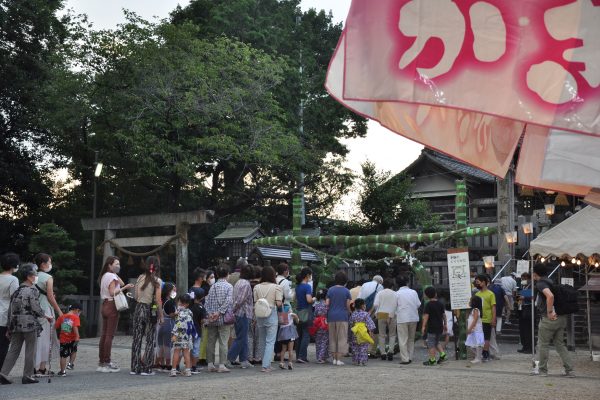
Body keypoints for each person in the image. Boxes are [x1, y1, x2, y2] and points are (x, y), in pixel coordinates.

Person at [0, 264, 49, 385]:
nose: (36, 276)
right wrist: (46, 315)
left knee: (14, 349)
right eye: (35, 274)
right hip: (29, 324)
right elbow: (36, 308)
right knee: (30, 350)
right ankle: (27, 376)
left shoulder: (17, 290)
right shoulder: (32, 290)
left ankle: (3, 373)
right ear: (29, 277)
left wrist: (10, 327)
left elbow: (11, 309)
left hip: (16, 324)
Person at [531, 264, 574, 377]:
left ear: (535, 273)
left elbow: (550, 296)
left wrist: (549, 312)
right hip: (561, 317)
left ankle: (543, 370)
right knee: (560, 344)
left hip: (549, 318)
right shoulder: (551, 281)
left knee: (543, 344)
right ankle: (570, 370)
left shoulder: (541, 283)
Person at [98, 256, 133, 373]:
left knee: (104, 335)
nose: (118, 266)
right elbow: (113, 292)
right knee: (109, 335)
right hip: (112, 305)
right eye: (116, 264)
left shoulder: (105, 276)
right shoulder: (111, 276)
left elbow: (120, 282)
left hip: (104, 305)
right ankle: (107, 362)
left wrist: (116, 275)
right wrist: (125, 288)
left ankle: (101, 361)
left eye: (119, 264)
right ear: (109, 265)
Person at [131, 256, 163, 376]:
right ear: (157, 267)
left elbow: (135, 296)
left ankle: (135, 367)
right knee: (150, 339)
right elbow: (158, 300)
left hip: (139, 308)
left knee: (137, 339)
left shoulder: (140, 278)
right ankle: (147, 368)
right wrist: (161, 316)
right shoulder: (157, 281)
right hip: (150, 310)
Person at [34, 253, 63, 377]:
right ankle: (41, 368)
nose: (50, 264)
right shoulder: (48, 277)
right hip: (46, 310)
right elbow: (50, 297)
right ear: (43, 264)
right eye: (49, 262)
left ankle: (32, 368)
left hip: (34, 311)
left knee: (35, 340)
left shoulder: (32, 276)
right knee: (46, 340)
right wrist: (59, 310)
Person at [253, 265, 283, 372]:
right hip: (271, 314)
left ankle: (264, 363)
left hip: (260, 314)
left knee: (262, 339)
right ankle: (266, 365)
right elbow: (279, 303)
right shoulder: (277, 287)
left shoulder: (256, 287)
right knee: (270, 340)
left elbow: (255, 302)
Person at [205, 264, 233, 373]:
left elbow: (207, 302)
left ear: (217, 274)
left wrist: (211, 314)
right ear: (227, 274)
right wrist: (219, 312)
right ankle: (221, 365)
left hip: (212, 318)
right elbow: (228, 301)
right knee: (223, 341)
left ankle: (210, 364)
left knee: (211, 341)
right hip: (223, 318)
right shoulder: (229, 286)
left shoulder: (212, 286)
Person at [227, 264, 254, 369]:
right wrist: (233, 310)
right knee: (241, 338)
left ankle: (244, 359)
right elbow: (240, 301)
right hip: (243, 313)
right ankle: (229, 358)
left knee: (243, 337)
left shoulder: (239, 282)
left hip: (239, 313)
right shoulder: (246, 284)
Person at [326, 271, 352, 366]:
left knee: (332, 338)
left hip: (331, 316)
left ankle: (333, 359)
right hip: (343, 316)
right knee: (341, 338)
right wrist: (350, 312)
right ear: (345, 280)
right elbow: (348, 305)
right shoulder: (346, 291)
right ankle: (338, 359)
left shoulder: (330, 290)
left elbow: (327, 304)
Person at [170, 294, 197, 377]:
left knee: (176, 352)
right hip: (187, 335)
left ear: (179, 302)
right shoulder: (190, 312)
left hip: (178, 335)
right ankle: (188, 370)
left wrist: (174, 334)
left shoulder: (178, 312)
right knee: (186, 353)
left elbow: (178, 324)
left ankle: (173, 370)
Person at [0, 252, 20, 369]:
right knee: (3, 345)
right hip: (4, 315)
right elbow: (15, 300)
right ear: (14, 265)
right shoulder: (13, 279)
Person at [395, 276, 421, 365]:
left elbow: (395, 306)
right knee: (411, 339)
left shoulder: (397, 293)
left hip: (402, 318)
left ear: (397, 284)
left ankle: (405, 359)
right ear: (407, 283)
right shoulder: (413, 292)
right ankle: (410, 357)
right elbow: (418, 304)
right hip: (413, 317)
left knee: (403, 339)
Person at [421, 286, 448, 366]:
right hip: (440, 326)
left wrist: (423, 326)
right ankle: (443, 354)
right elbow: (444, 315)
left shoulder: (428, 305)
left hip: (432, 327)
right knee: (436, 342)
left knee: (431, 344)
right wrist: (445, 324)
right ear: (435, 294)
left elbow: (426, 317)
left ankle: (432, 360)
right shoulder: (440, 304)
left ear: (426, 295)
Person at [373, 278, 398, 361]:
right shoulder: (395, 293)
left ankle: (383, 353)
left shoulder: (380, 293)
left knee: (382, 334)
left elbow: (376, 304)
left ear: (383, 285)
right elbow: (397, 305)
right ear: (392, 286)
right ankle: (390, 351)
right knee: (392, 334)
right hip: (392, 314)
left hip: (382, 314)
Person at [55, 303, 81, 377]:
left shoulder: (62, 317)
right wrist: (77, 336)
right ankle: (70, 364)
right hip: (73, 339)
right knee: (74, 350)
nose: (79, 314)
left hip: (63, 340)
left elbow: (56, 326)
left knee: (63, 356)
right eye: (79, 312)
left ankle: (63, 371)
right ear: (77, 310)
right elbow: (75, 327)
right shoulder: (75, 317)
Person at [474, 274, 496, 362]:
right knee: (479, 337)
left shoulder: (491, 294)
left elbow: (493, 307)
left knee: (487, 337)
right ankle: (479, 353)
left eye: (478, 282)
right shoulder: (477, 294)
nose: (476, 284)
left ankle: (485, 353)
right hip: (478, 319)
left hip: (487, 318)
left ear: (483, 282)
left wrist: (493, 318)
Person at [155, 282, 176, 372]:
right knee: (168, 345)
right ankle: (168, 364)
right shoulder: (170, 302)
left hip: (160, 324)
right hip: (169, 324)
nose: (174, 291)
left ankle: (161, 363)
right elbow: (171, 314)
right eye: (173, 290)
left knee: (161, 345)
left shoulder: (161, 301)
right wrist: (178, 312)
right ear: (169, 291)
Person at [295, 267, 314, 363]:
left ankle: (299, 355)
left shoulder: (297, 286)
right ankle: (302, 356)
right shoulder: (307, 287)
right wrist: (314, 299)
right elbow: (309, 300)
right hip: (306, 311)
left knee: (299, 335)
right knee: (306, 334)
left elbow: (295, 299)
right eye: (310, 275)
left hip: (298, 312)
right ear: (307, 275)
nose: (311, 277)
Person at [349, 298, 376, 366]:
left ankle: (355, 361)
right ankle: (362, 361)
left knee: (355, 347)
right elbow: (370, 324)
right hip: (363, 332)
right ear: (362, 306)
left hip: (355, 332)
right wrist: (371, 333)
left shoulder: (353, 314)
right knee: (363, 347)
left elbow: (351, 323)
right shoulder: (365, 314)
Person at [198, 269, 215, 366]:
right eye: (211, 277)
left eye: (213, 277)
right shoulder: (205, 289)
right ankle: (201, 357)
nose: (213, 279)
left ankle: (202, 356)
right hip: (205, 315)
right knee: (204, 337)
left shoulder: (207, 288)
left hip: (207, 314)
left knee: (205, 337)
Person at [489, 278, 507, 359]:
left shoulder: (490, 288)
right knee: (499, 318)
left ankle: (494, 328)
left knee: (494, 317)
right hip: (499, 306)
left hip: (490, 308)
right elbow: (506, 297)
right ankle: (498, 330)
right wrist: (509, 305)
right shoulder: (501, 289)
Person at [189, 287, 206, 373]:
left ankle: (188, 365)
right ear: (202, 297)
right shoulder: (201, 307)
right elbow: (202, 320)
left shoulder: (189, 306)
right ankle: (194, 367)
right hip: (197, 331)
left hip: (188, 330)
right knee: (196, 348)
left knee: (189, 348)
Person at [517, 272, 534, 353]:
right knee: (522, 329)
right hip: (522, 308)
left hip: (529, 308)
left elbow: (533, 296)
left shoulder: (532, 286)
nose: (523, 280)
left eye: (524, 279)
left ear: (528, 278)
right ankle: (525, 346)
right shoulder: (523, 286)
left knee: (528, 329)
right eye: (522, 279)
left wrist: (524, 297)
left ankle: (530, 347)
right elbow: (519, 296)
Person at [277, 306, 299, 370]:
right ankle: (290, 363)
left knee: (283, 349)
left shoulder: (280, 315)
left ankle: (281, 362)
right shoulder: (290, 314)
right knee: (290, 350)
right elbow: (296, 316)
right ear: (288, 310)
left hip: (283, 335)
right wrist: (297, 320)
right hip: (290, 334)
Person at [466, 296, 484, 364]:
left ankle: (478, 358)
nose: (469, 302)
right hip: (474, 330)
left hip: (477, 330)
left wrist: (470, 328)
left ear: (474, 302)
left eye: (470, 300)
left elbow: (475, 320)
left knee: (478, 344)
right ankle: (478, 356)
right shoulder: (473, 310)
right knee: (472, 345)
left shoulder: (475, 310)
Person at [312, 288, 329, 364]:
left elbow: (315, 314)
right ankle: (322, 357)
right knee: (324, 341)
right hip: (325, 323)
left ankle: (319, 356)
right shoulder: (326, 305)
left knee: (318, 341)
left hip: (317, 323)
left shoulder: (317, 304)